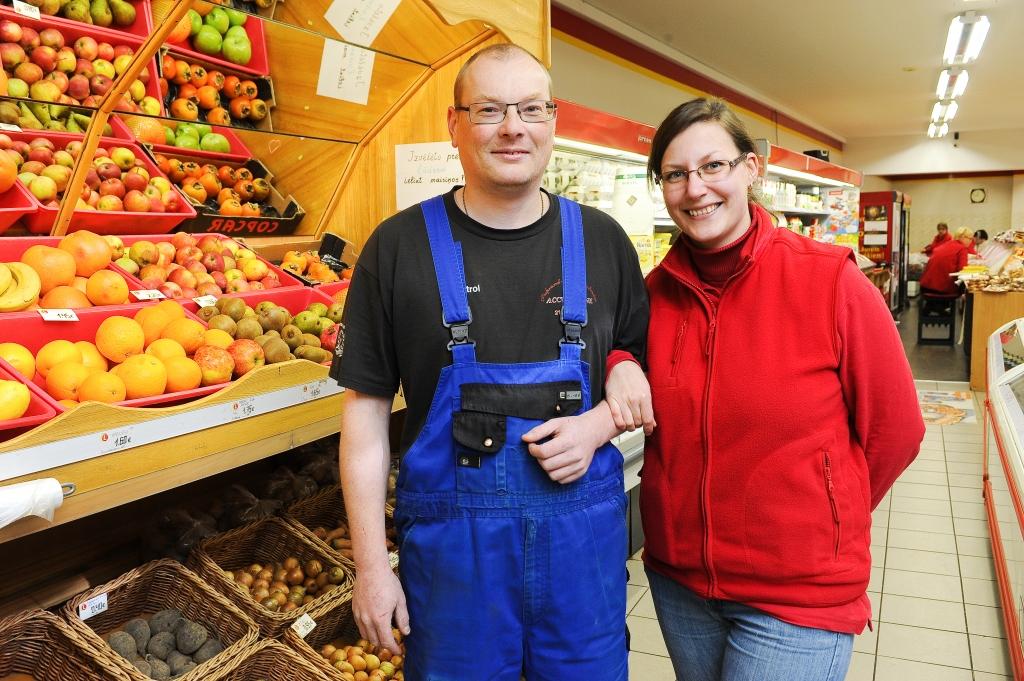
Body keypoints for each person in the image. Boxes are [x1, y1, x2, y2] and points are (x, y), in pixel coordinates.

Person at [333, 43, 649, 680]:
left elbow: (640, 367)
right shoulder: (396, 248)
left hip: (581, 562)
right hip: (455, 570)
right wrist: (371, 568)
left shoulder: (605, 241)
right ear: (454, 125)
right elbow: (364, 419)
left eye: (531, 109)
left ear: (552, 121)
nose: (512, 127)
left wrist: (599, 422)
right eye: (489, 110)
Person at [607, 97, 924, 681]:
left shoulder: (830, 280)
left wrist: (826, 516)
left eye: (713, 166)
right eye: (675, 175)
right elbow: (619, 354)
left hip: (798, 593)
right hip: (682, 583)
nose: (695, 189)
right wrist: (620, 359)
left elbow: (897, 430)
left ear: (751, 168)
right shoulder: (652, 294)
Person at [920, 226, 975, 297]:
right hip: (942, 290)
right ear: (963, 237)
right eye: (970, 239)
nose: (971, 242)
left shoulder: (946, 244)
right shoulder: (962, 248)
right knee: (967, 288)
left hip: (925, 286)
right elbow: (962, 270)